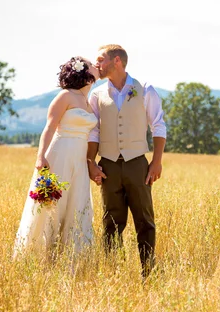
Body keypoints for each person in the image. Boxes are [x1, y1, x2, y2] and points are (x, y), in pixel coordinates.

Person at [87, 44, 166, 277]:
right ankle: (112, 274)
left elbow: (158, 125)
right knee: (111, 221)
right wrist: (91, 162)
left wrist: (157, 162)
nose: (96, 65)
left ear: (117, 61)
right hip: (108, 165)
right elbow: (93, 132)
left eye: (101, 60)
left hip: (137, 164)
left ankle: (148, 273)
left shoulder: (145, 89)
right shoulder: (96, 94)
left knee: (144, 220)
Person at [14, 56, 100, 258]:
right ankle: (40, 255)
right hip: (60, 154)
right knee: (52, 206)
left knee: (76, 206)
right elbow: (50, 127)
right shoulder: (65, 96)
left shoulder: (88, 101)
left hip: (79, 161)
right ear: (83, 72)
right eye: (91, 65)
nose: (96, 67)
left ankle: (72, 257)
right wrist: (40, 156)